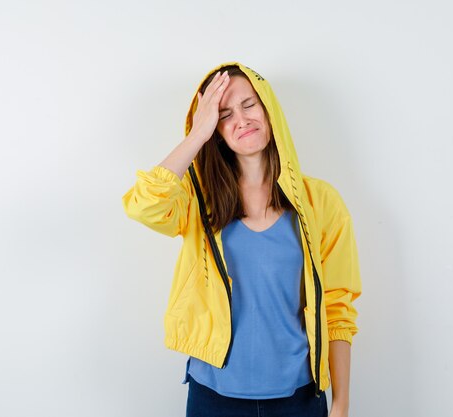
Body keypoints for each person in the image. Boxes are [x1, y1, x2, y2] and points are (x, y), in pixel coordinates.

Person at [122, 62, 362, 417]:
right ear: (214, 130)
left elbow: (337, 308)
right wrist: (196, 135)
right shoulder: (196, 199)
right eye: (223, 114)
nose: (241, 120)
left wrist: (341, 403)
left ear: (268, 109)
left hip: (299, 398)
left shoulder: (320, 202)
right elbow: (144, 205)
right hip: (213, 397)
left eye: (249, 105)